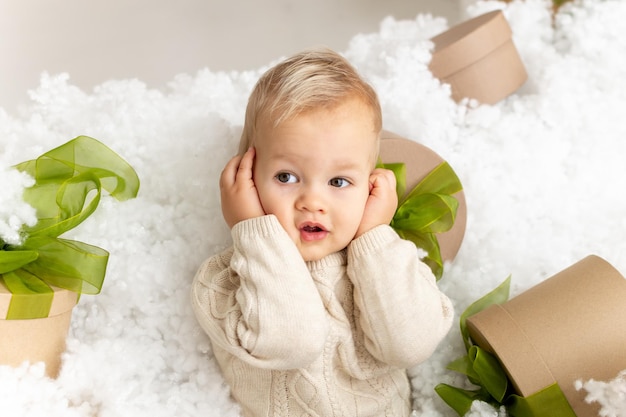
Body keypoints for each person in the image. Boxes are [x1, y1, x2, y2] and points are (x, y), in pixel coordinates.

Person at [191, 48, 453, 417]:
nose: (313, 201)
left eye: (339, 181)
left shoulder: (385, 262)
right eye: (286, 177)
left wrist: (373, 236)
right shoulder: (220, 283)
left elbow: (410, 346)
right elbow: (292, 342)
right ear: (246, 180)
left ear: (371, 186)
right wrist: (252, 231)